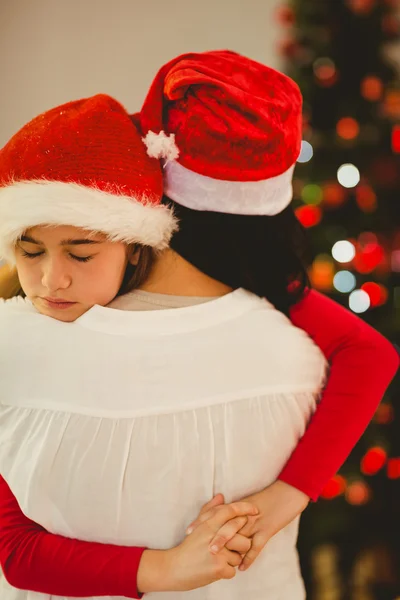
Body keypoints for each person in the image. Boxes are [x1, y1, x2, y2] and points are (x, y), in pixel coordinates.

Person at [0, 52, 398, 600]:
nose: (53, 280)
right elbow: (14, 548)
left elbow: (371, 354)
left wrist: (288, 493)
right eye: (30, 251)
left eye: (83, 253)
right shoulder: (278, 313)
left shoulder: (266, 293)